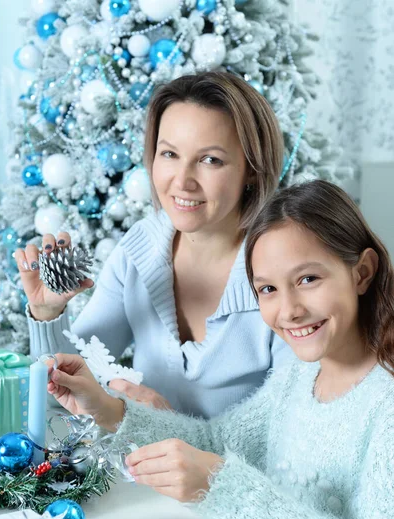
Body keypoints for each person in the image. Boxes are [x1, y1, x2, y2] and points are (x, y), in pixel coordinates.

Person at [48, 180, 394, 519]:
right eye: (267, 289)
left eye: (307, 278)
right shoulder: (297, 379)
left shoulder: (384, 404)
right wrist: (107, 409)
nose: (288, 310)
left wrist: (222, 487)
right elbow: (215, 442)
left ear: (362, 272)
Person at [16, 71, 291, 419]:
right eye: (170, 154)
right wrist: (47, 313)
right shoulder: (140, 249)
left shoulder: (284, 269)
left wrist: (163, 427)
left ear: (252, 168)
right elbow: (63, 393)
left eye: (210, 160)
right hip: (139, 471)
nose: (182, 181)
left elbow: (289, 435)